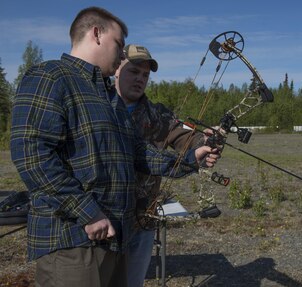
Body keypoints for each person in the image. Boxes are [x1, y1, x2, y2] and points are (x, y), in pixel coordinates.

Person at [10, 7, 218, 287]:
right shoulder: (51, 76)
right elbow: (32, 154)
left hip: (115, 238)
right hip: (73, 242)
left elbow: (138, 154)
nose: (122, 54)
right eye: (119, 44)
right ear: (96, 34)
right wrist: (88, 212)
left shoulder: (109, 96)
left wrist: (192, 158)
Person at [115, 44, 210, 287]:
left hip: (143, 217)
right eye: (134, 71)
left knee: (133, 281)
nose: (140, 79)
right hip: (106, 218)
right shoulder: (98, 107)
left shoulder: (157, 114)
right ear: (117, 68)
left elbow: (184, 137)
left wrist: (206, 141)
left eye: (145, 75)